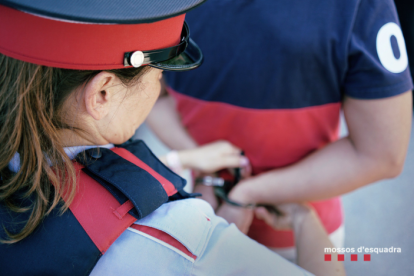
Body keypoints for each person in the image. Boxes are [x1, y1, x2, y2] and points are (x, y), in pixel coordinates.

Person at [0, 1, 345, 275]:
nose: (160, 86)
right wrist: (304, 219)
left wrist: (183, 160)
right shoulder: (181, 236)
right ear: (102, 94)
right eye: (159, 72)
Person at [147, 0, 413, 259]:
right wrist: (198, 157)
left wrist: (248, 192)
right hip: (201, 219)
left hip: (299, 236)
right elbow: (148, 95)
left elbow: (382, 153)